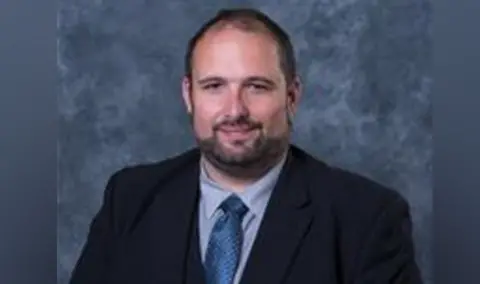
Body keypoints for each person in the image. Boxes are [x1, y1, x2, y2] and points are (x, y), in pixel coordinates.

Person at [69, 7, 423, 284]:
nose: (235, 110)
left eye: (256, 86)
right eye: (214, 86)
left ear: (292, 96)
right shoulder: (130, 199)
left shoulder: (368, 218)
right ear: (188, 95)